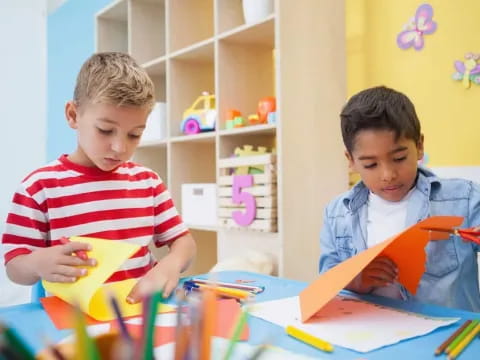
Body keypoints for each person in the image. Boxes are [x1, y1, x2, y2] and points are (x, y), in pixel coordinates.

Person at [1, 52, 196, 303]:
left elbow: (185, 243)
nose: (120, 148)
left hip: (139, 315)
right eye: (105, 130)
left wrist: (171, 264)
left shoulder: (148, 182)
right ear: (73, 115)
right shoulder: (39, 188)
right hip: (75, 324)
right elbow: (15, 266)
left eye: (134, 134)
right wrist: (37, 263)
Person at [319, 85, 480, 312]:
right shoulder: (337, 213)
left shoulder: (463, 200)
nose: (388, 175)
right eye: (370, 165)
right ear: (351, 160)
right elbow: (328, 278)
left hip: (448, 337)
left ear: (420, 146)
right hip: (371, 334)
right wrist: (356, 280)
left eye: (399, 158)